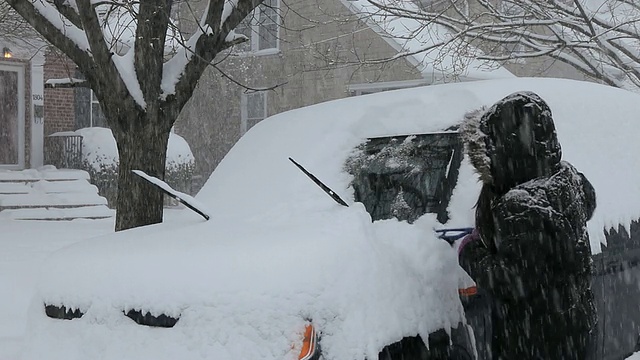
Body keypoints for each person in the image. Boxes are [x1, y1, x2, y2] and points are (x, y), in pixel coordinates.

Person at [458, 92, 597, 359]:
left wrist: (470, 251)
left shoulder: (519, 205)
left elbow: (511, 281)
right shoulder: (565, 176)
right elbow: (586, 203)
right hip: (575, 328)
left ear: (504, 148)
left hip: (536, 341)